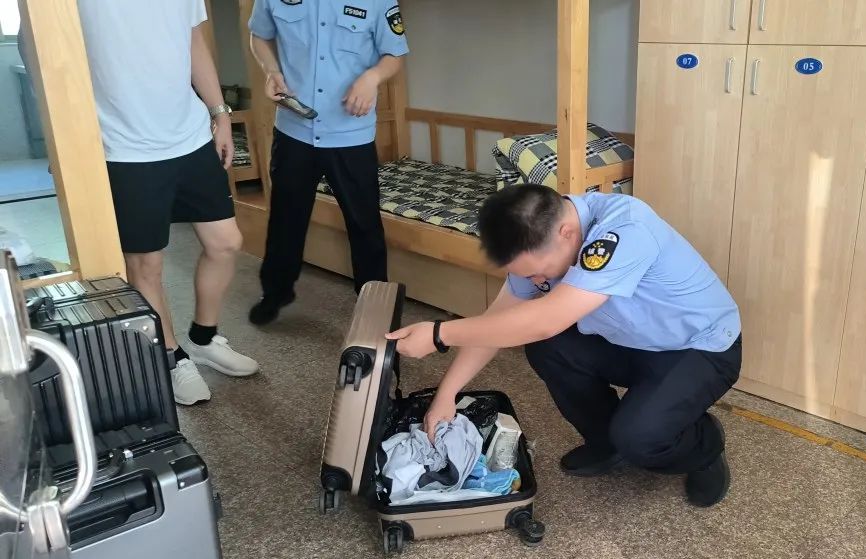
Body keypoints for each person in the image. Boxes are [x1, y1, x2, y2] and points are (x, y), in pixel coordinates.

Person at [387, 184, 743, 507]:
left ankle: (705, 446)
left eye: (537, 272)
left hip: (699, 348)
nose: (536, 280)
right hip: (631, 341)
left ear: (567, 233)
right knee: (548, 347)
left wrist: (439, 334)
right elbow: (496, 323)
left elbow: (546, 319)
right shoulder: (538, 241)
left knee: (639, 436)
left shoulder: (625, 229)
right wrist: (446, 395)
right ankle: (607, 443)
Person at [20, 0, 260, 405]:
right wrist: (59, 136)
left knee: (226, 242)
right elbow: (36, 49)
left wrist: (220, 112)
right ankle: (171, 357)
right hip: (122, 146)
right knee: (146, 263)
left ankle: (203, 338)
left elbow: (193, 40)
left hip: (189, 133)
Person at [246, 0, 409, 325]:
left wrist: (372, 77)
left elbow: (395, 54)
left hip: (351, 134)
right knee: (285, 220)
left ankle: (375, 312)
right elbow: (259, 35)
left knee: (364, 226)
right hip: (294, 129)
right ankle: (276, 292)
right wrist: (271, 70)